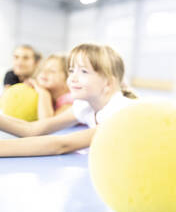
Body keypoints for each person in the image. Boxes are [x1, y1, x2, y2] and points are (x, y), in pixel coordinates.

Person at [0, 43, 136, 157]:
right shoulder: (85, 105)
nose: (72, 78)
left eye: (83, 72)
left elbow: (61, 145)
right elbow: (32, 129)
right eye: (71, 71)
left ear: (108, 83)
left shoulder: (119, 112)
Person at [29, 54, 73, 119]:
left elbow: (47, 124)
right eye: (42, 69)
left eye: (52, 71)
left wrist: (44, 93)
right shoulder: (54, 100)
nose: (44, 72)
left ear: (68, 78)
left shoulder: (70, 101)